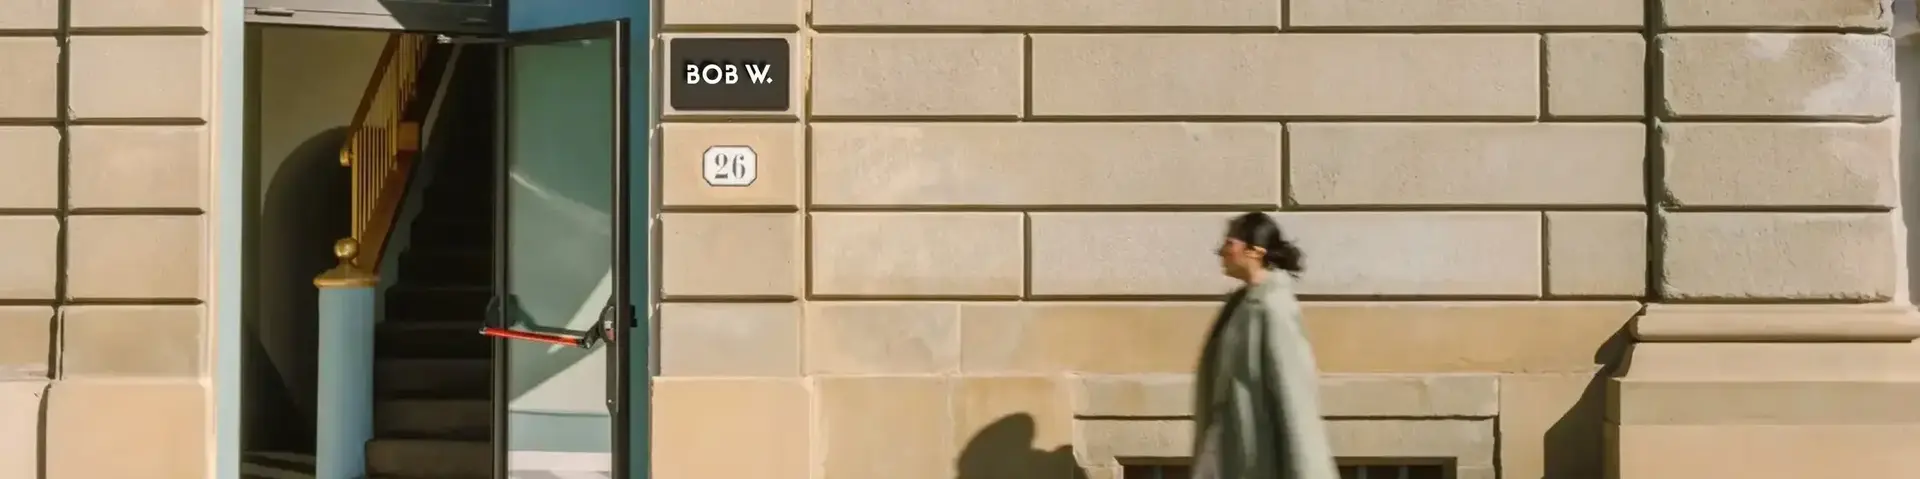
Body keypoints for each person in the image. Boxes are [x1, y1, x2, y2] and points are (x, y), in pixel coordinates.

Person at [1190, 212, 1338, 479]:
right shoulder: (1240, 305)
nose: (1221, 251)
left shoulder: (1272, 308)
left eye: (1230, 243)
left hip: (1255, 464)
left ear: (1255, 251)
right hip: (1227, 458)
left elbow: (1295, 398)